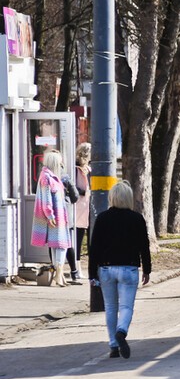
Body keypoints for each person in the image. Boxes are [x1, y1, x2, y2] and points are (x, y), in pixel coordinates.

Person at [88, 181, 151, 359]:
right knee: (126, 306)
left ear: (112, 198)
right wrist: (147, 269)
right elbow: (144, 246)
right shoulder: (137, 219)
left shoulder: (102, 218)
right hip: (129, 268)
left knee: (110, 307)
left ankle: (113, 346)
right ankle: (121, 331)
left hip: (106, 268)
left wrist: (92, 273)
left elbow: (95, 248)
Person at [30, 150, 72, 287]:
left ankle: (59, 274)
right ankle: (59, 274)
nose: (61, 165)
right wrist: (50, 215)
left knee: (56, 245)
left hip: (57, 214)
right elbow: (46, 199)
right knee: (61, 244)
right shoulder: (47, 177)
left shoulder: (50, 176)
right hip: (55, 216)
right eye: (59, 162)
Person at [65, 142, 91, 285]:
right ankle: (76, 267)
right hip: (78, 205)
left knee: (84, 236)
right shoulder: (75, 169)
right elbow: (72, 188)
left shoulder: (88, 168)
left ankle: (80, 266)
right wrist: (84, 192)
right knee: (78, 237)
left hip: (86, 205)